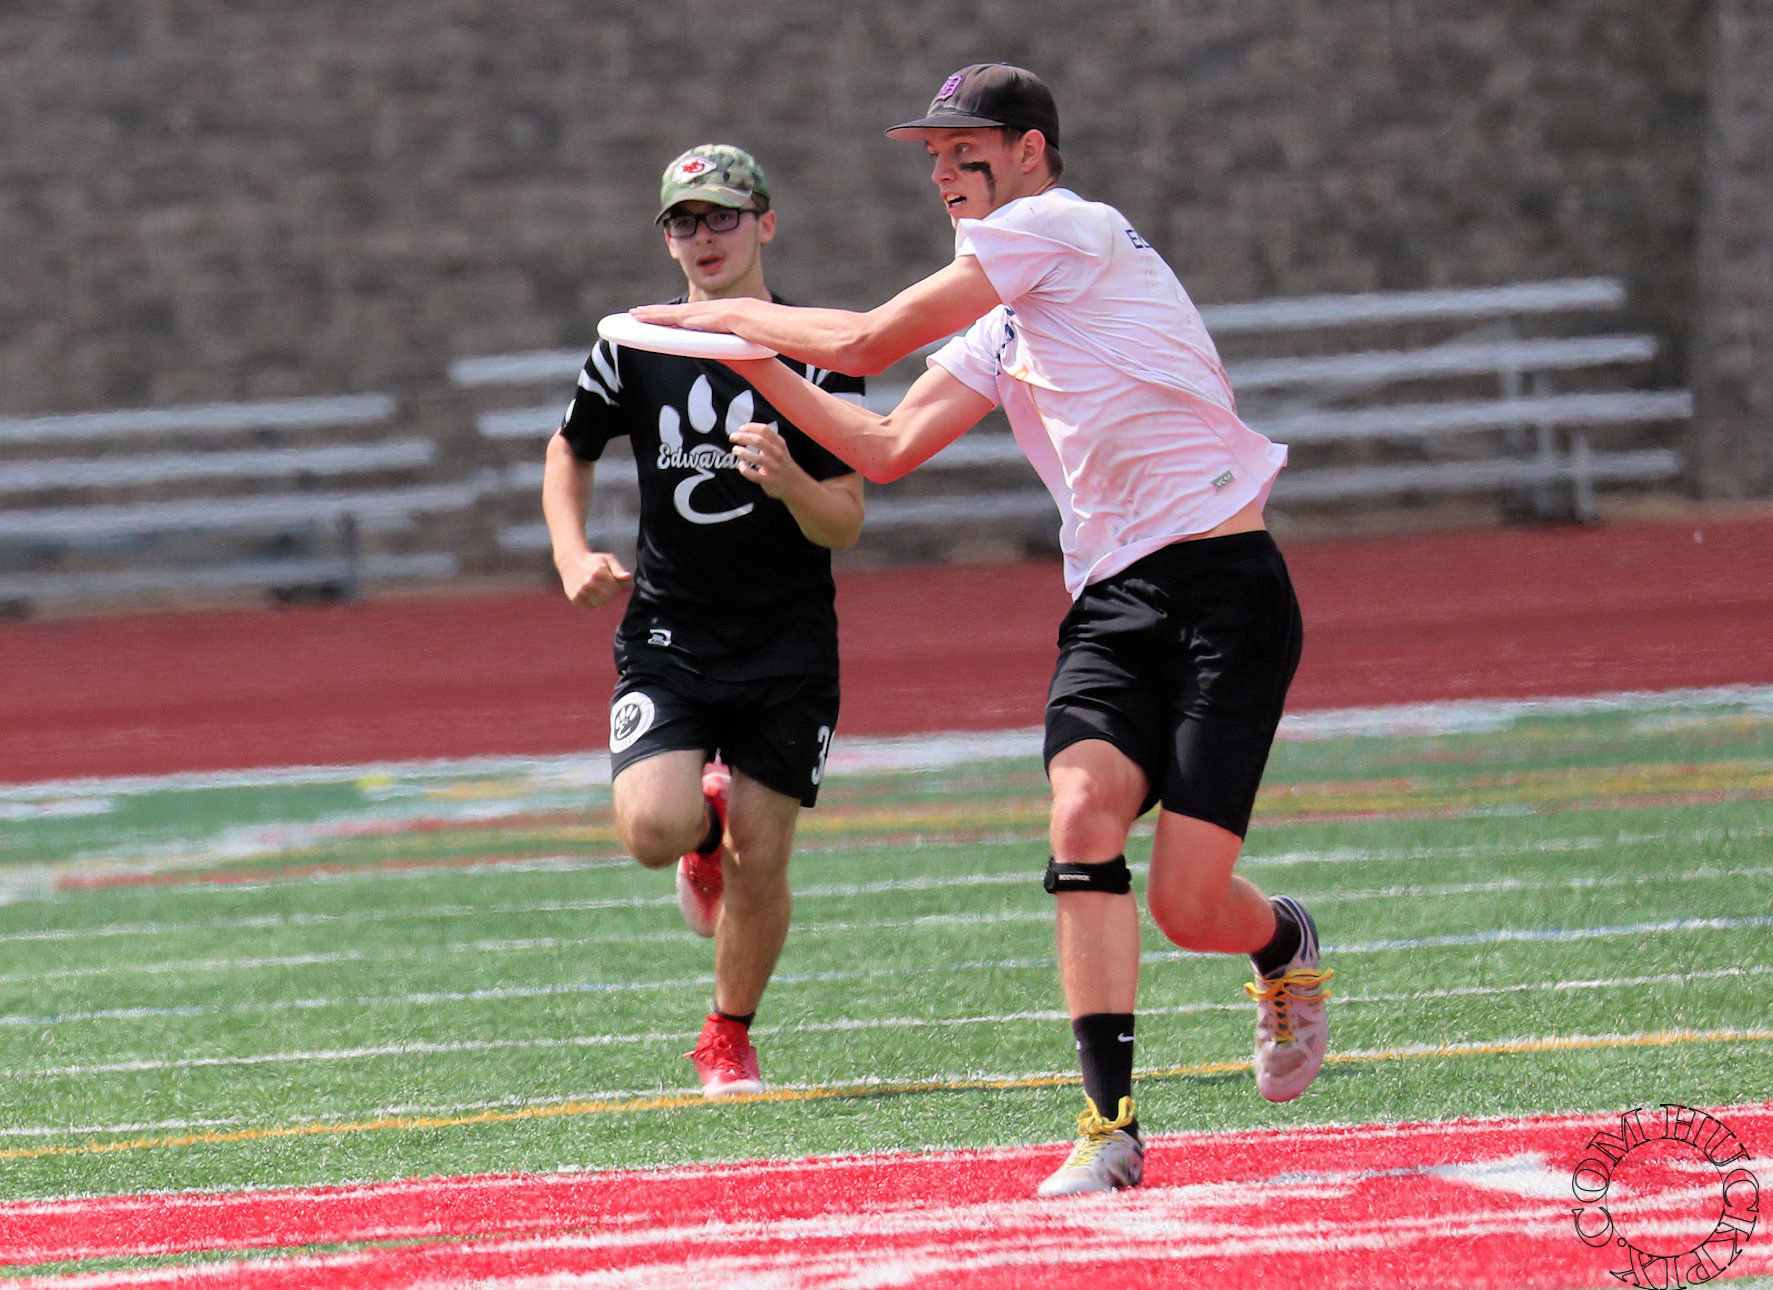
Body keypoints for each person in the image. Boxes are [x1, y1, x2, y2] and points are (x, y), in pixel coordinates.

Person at [632, 66, 1332, 1193]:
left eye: (969, 155)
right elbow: (886, 444)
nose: (945, 176)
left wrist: (722, 317)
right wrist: (744, 359)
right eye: (934, 160)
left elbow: (866, 341)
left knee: (1188, 905)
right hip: (1113, 604)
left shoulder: (1066, 226)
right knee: (1079, 815)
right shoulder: (1008, 318)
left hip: (1226, 591)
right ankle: (1110, 1129)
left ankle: (1282, 943)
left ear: (1032, 155)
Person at [541, 144, 866, 1098]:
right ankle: (699, 829)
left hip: (788, 644)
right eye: (684, 221)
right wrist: (571, 552)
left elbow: (843, 521)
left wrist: (791, 480)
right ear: (667, 240)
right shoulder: (634, 342)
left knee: (762, 859)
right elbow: (570, 450)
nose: (703, 236)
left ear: (766, 224)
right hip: (671, 633)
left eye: (723, 216)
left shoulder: (819, 350)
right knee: (651, 828)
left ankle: (727, 1035)